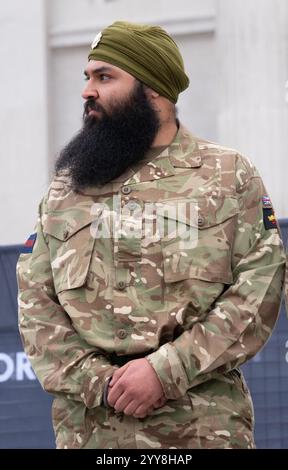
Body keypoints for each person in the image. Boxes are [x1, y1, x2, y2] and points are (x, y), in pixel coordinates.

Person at [17, 20, 285, 450]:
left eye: (105, 77)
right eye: (87, 77)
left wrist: (166, 371)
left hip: (201, 433)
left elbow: (261, 289)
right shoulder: (66, 189)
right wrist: (102, 384)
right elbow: (36, 303)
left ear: (154, 89)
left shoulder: (227, 175)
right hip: (91, 435)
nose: (88, 91)